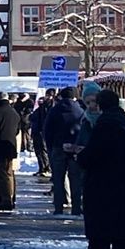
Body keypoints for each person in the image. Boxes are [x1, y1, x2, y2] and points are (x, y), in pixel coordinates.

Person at [70, 89, 125, 249]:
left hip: (103, 189)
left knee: (99, 237)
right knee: (124, 238)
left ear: (100, 105)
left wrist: (80, 156)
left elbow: (90, 157)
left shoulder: (105, 126)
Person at [44, 87, 85, 216]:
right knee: (75, 179)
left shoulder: (55, 110)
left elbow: (47, 130)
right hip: (74, 149)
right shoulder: (80, 111)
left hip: (58, 147)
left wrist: (51, 146)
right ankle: (76, 208)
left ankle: (58, 206)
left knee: (58, 178)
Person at [30, 91, 55, 177]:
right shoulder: (39, 108)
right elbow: (33, 118)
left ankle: (47, 168)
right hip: (36, 131)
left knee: (44, 151)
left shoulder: (50, 107)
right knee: (38, 151)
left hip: (43, 132)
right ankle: (41, 167)